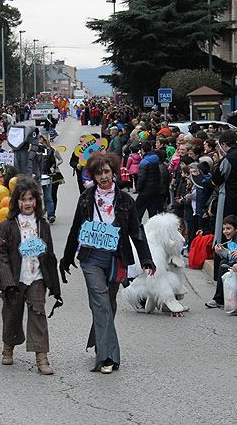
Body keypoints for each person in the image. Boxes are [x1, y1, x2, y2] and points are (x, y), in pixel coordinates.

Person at [61, 152, 155, 374]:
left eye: (106, 171)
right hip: (91, 257)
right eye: (98, 173)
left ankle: (99, 341)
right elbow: (76, 228)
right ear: (93, 176)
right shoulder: (86, 197)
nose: (103, 176)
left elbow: (136, 231)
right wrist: (66, 258)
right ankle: (107, 357)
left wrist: (146, 258)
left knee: (108, 303)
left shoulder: (125, 200)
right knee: (100, 302)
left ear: (113, 172)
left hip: (116, 258)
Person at [0, 176, 61, 375]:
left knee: (38, 314)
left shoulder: (42, 225)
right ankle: (8, 345)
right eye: (23, 199)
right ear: (16, 202)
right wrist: (7, 281)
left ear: (36, 202)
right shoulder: (6, 226)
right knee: (12, 315)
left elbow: (49, 255)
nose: (27, 203)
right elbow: (1, 255)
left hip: (37, 277)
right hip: (15, 279)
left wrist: (54, 283)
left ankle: (41, 357)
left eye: (31, 199)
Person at [205, 215, 237, 309]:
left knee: (223, 264)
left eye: (228, 228)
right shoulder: (232, 240)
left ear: (236, 228)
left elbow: (232, 257)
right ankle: (219, 299)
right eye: (224, 229)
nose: (225, 231)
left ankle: (218, 299)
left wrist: (221, 252)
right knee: (223, 263)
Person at [136, 141, 161, 221]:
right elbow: (158, 175)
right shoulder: (156, 159)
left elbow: (141, 178)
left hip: (144, 190)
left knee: (138, 210)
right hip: (154, 189)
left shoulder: (144, 162)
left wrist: (138, 188)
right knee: (152, 211)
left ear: (142, 150)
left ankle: (137, 227)